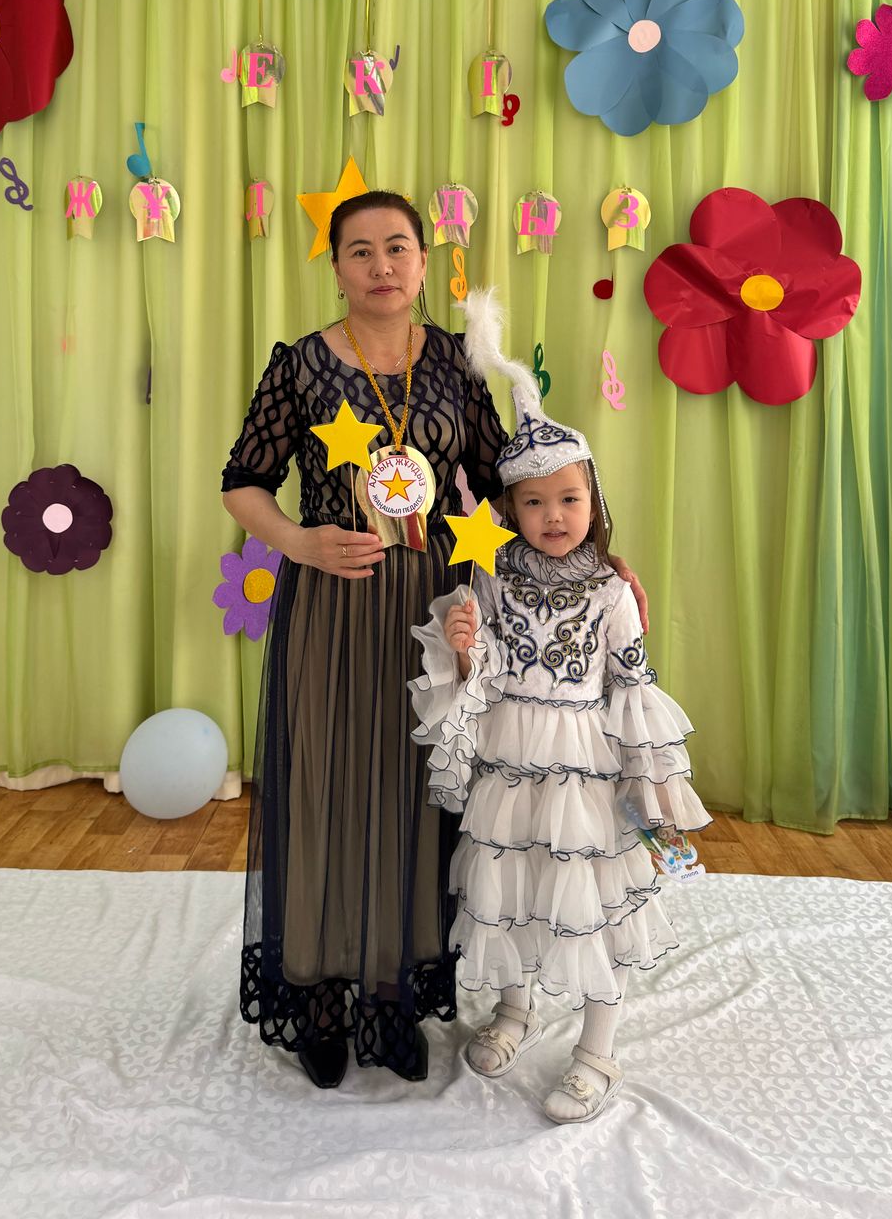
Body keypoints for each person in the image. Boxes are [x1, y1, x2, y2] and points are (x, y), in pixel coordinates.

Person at [221, 193, 649, 1089]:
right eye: (360, 250)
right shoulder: (300, 366)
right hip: (332, 606)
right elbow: (243, 482)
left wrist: (597, 560)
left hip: (439, 609)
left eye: (398, 247)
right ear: (335, 265)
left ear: (423, 261)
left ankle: (391, 994)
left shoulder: (454, 361)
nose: (381, 265)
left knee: (419, 791)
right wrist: (297, 541)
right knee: (330, 785)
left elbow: (510, 486)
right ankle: (321, 995)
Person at [407, 288, 710, 1124]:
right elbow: (484, 671)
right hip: (511, 760)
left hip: (585, 768)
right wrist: (465, 645)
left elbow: (633, 689)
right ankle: (515, 1010)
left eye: (569, 499)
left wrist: (652, 785)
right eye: (534, 502)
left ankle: (597, 1050)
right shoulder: (493, 578)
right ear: (510, 510)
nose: (553, 516)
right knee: (511, 884)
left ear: (593, 502)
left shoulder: (612, 590)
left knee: (588, 901)